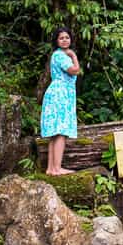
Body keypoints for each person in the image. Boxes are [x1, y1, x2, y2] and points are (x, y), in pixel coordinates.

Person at [40, 27, 81, 175]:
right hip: (60, 94)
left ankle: (51, 168)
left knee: (56, 132)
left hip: (58, 93)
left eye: (67, 37)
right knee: (61, 131)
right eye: (61, 38)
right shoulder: (61, 55)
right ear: (56, 41)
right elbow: (74, 70)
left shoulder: (57, 55)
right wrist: (74, 56)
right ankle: (57, 168)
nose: (65, 40)